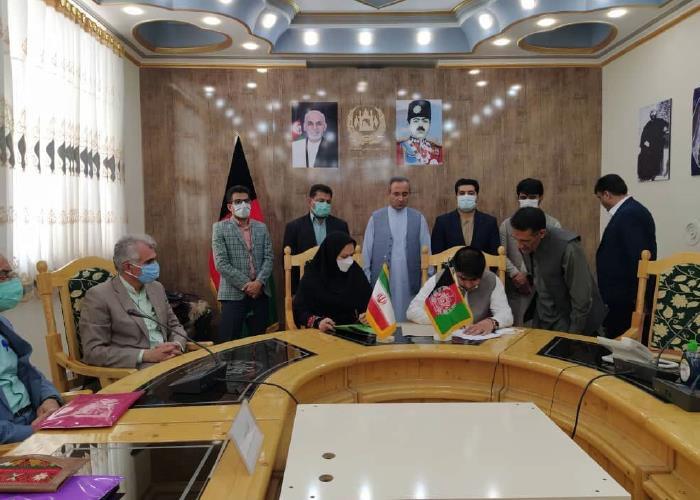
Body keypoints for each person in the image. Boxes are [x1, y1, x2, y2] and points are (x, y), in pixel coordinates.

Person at [80, 234, 187, 368]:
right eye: (149, 262)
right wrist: (145, 355)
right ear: (128, 267)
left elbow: (175, 326)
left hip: (171, 360)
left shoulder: (156, 287)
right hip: (135, 369)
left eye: (154, 260)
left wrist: (176, 345)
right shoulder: (99, 296)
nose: (155, 265)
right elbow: (93, 352)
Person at [510, 207, 606, 335]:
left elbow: (582, 299)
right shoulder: (526, 244)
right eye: (516, 239)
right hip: (544, 317)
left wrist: (572, 336)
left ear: (541, 233)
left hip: (571, 320)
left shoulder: (568, 248)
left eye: (525, 241)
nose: (519, 246)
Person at [0, 254, 62, 444]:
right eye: (2, 275)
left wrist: (48, 398)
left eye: (9, 274)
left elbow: (26, 370)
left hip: (33, 418)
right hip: (12, 437)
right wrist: (30, 431)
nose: (11, 281)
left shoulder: (3, 323)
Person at [594, 174, 657, 338]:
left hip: (628, 300)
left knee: (623, 344)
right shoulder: (628, 211)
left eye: (600, 198)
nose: (601, 202)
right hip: (623, 298)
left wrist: (639, 298)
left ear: (607, 194)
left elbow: (637, 258)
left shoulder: (630, 214)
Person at [362, 177, 431, 322]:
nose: (400, 198)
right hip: (383, 279)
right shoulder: (375, 218)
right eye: (396, 194)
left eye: (405, 194)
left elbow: (427, 252)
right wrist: (367, 279)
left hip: (410, 278)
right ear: (388, 193)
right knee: (385, 318)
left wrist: (427, 280)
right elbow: (366, 252)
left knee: (409, 315)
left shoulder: (418, 218)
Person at [212, 185, 274, 343]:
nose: (243, 205)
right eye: (238, 202)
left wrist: (258, 283)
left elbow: (269, 258)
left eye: (246, 201)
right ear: (230, 207)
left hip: (260, 292)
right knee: (229, 343)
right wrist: (247, 285)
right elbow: (221, 263)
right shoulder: (220, 228)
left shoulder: (261, 227)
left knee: (260, 343)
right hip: (233, 293)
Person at [407, 247, 513, 333]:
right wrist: (446, 320)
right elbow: (412, 311)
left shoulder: (491, 280)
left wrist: (491, 322)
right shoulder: (440, 279)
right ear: (454, 270)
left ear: (482, 273)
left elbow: (506, 314)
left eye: (474, 280)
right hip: (446, 341)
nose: (468, 284)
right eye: (462, 278)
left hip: (481, 341)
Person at [500, 178, 561, 325]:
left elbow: (554, 256)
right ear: (518, 197)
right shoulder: (507, 224)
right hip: (515, 287)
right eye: (523, 197)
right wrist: (516, 274)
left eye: (532, 197)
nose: (527, 200)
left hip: (543, 286)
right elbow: (501, 254)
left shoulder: (553, 224)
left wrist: (530, 276)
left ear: (541, 197)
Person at [293, 232, 372, 333]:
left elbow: (369, 301)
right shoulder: (313, 275)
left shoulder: (354, 270)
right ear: (330, 255)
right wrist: (317, 322)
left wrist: (366, 315)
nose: (349, 261)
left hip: (351, 331)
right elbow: (299, 310)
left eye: (351, 256)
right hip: (319, 332)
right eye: (344, 257)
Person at [283, 184, 350, 293]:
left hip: (335, 289)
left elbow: (347, 260)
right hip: (305, 289)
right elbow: (288, 264)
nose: (325, 204)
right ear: (310, 202)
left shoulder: (341, 226)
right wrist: (295, 292)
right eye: (321, 201)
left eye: (328, 202)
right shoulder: (294, 227)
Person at [431, 178, 500, 255]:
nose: (466, 196)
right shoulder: (442, 222)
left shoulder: (490, 223)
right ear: (456, 196)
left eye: (471, 193)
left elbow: (495, 255)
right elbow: (437, 255)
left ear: (477, 196)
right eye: (462, 193)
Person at [396, 99, 443, 165]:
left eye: (425, 121)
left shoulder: (438, 150)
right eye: (416, 121)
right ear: (408, 124)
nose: (421, 125)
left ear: (429, 124)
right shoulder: (398, 148)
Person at [637, 109, 669, 181]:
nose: (653, 116)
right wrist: (644, 143)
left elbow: (666, 126)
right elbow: (644, 135)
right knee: (647, 157)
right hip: (650, 145)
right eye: (652, 115)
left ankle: (656, 172)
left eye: (654, 115)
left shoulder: (660, 121)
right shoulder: (648, 124)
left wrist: (665, 130)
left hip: (658, 143)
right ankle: (649, 174)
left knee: (657, 158)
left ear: (656, 115)